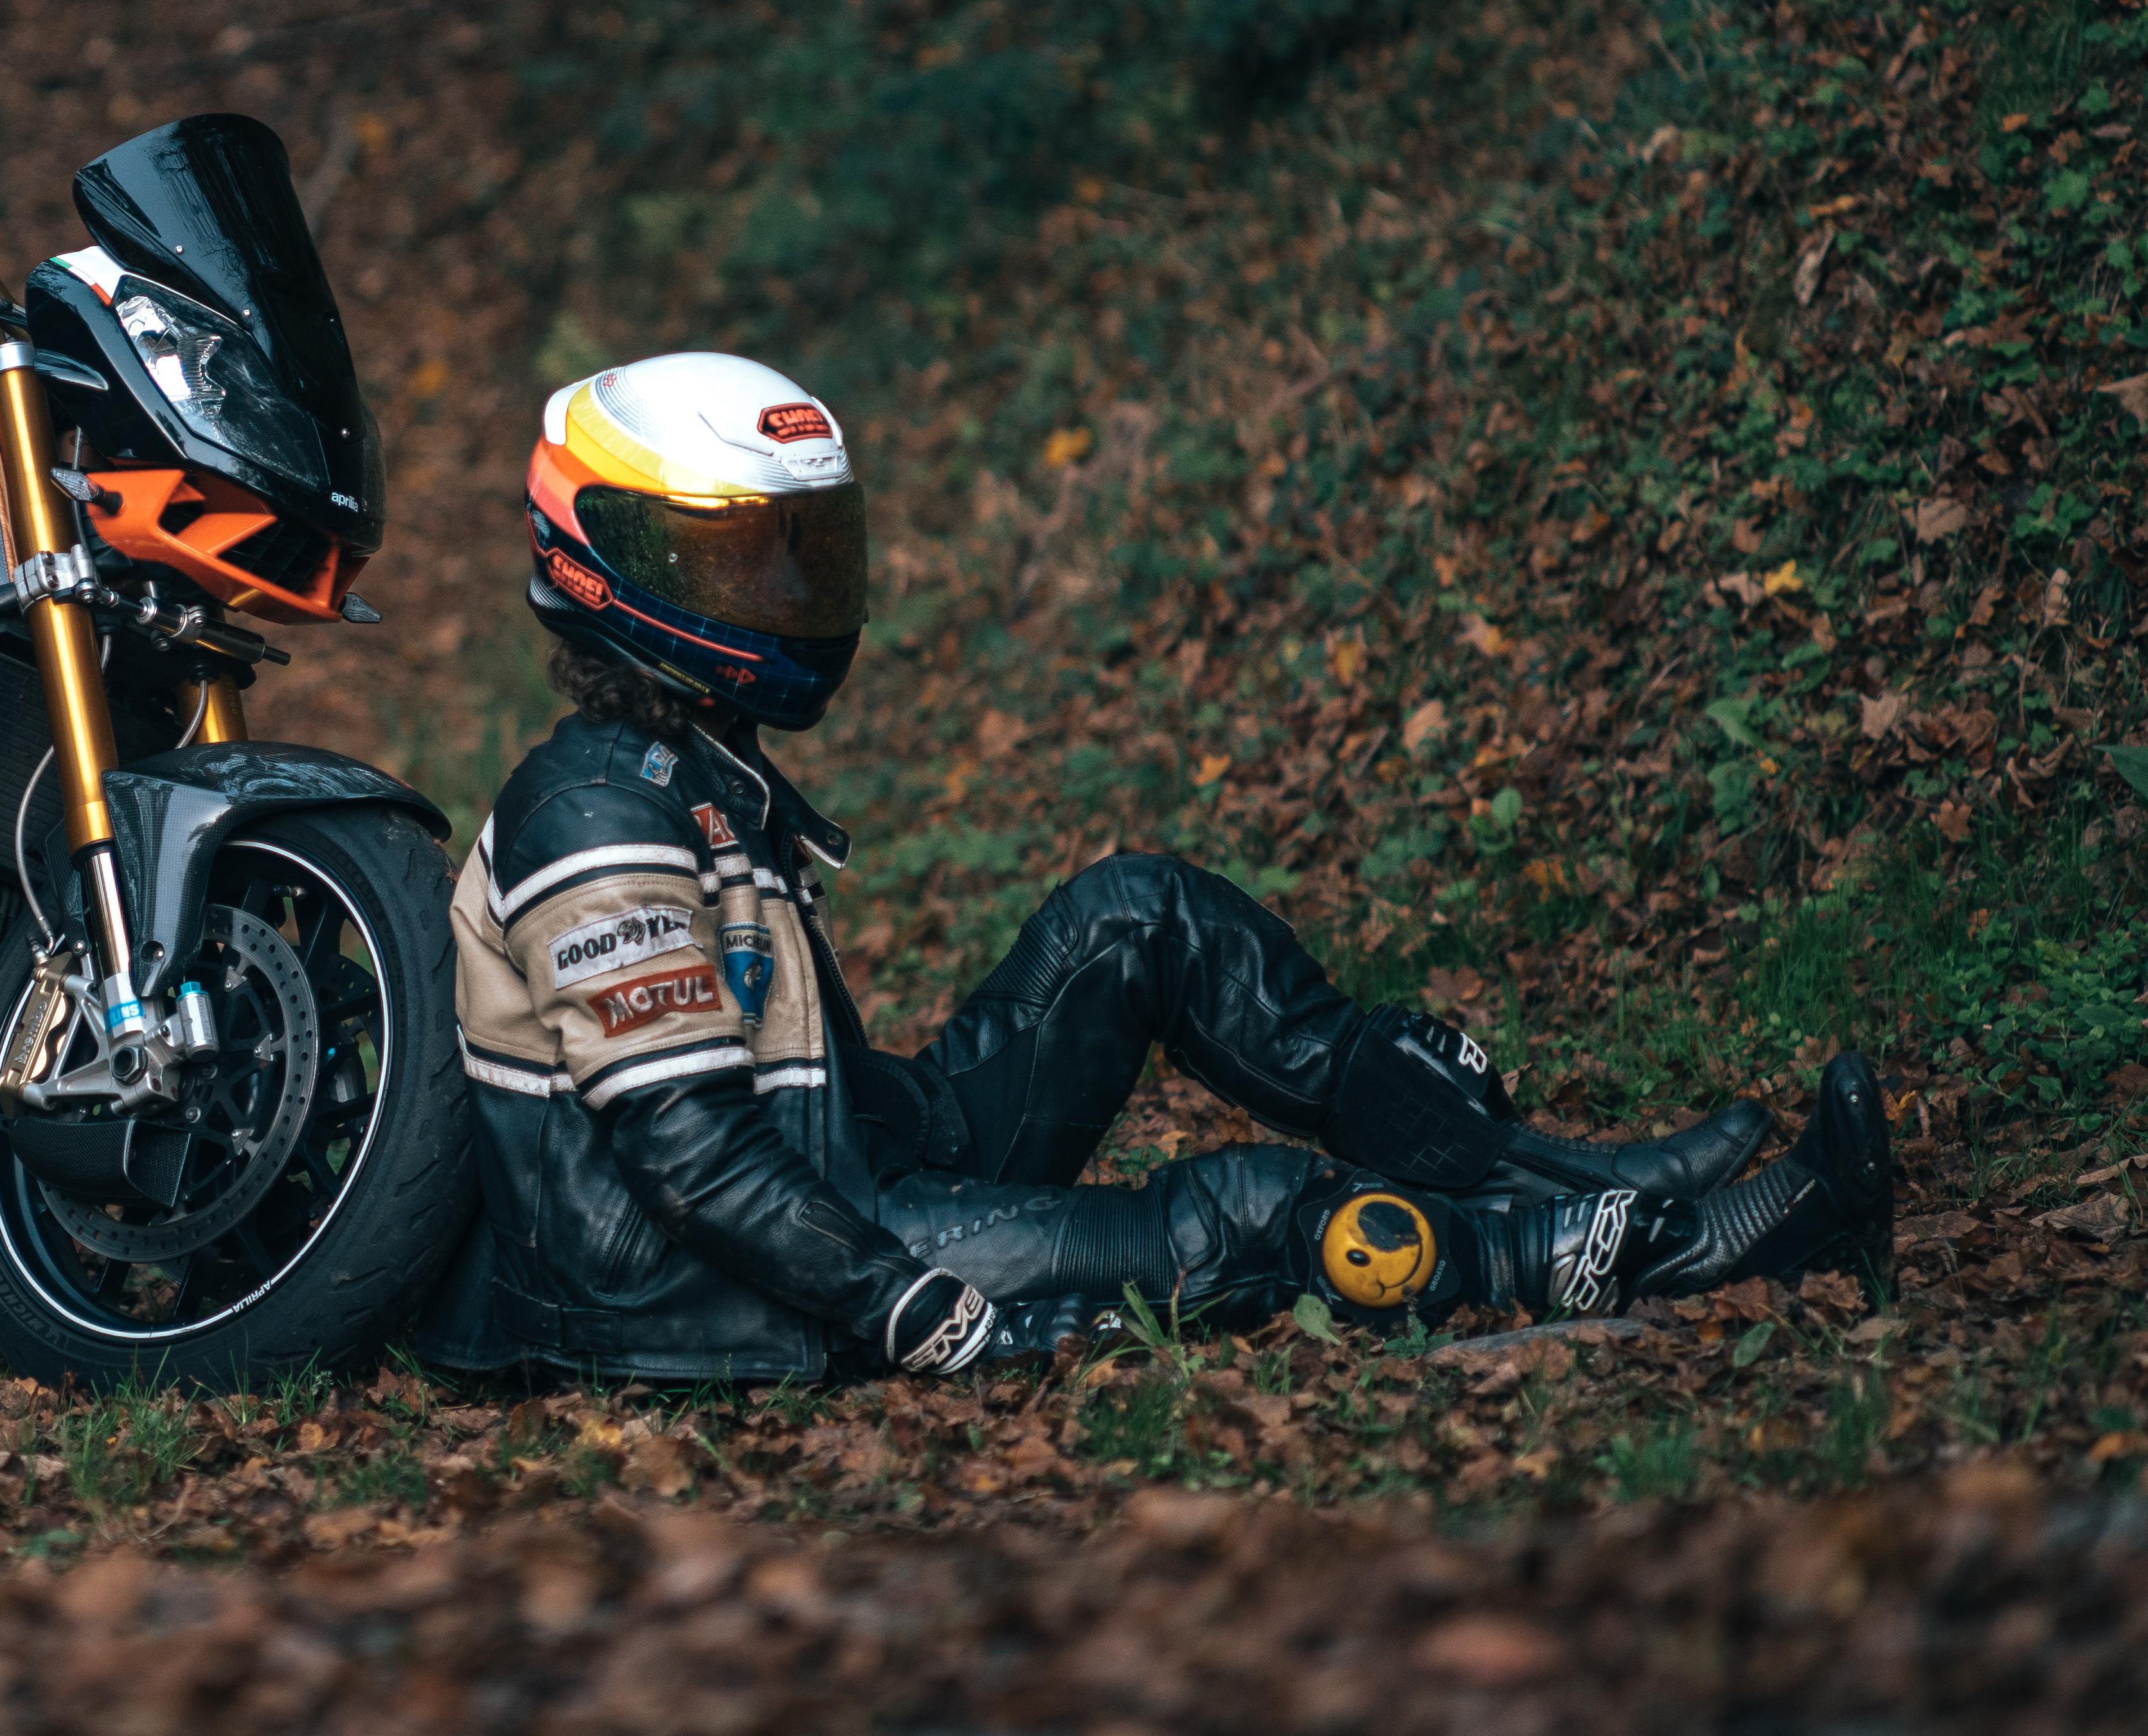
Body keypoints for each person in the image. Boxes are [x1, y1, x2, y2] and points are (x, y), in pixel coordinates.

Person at [415, 352, 1897, 1382]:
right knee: (1247, 1210)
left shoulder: (688, 765)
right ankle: (1650, 1249)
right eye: (744, 563)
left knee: (1139, 912)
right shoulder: (592, 811)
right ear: (609, 559)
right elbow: (690, 1160)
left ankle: (1563, 1169)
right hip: (721, 1300)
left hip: (855, 1158)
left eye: (804, 557)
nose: (790, 597)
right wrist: (910, 1307)